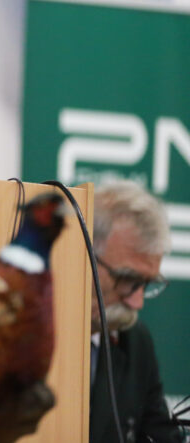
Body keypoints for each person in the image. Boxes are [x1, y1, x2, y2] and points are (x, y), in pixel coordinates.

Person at [89, 181, 180, 443]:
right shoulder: (25, 333)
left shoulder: (135, 341)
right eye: (127, 279)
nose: (137, 302)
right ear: (84, 254)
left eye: (146, 284)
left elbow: (162, 435)